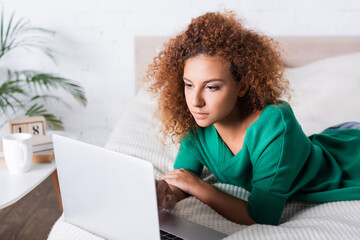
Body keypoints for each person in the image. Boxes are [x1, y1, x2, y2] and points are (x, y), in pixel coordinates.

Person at [145, 10, 360, 226]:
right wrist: (166, 193)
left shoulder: (274, 128)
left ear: (242, 86)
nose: (195, 101)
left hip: (350, 161)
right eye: (189, 85)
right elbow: (183, 179)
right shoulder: (198, 126)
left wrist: (199, 187)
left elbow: (261, 217)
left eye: (211, 87)